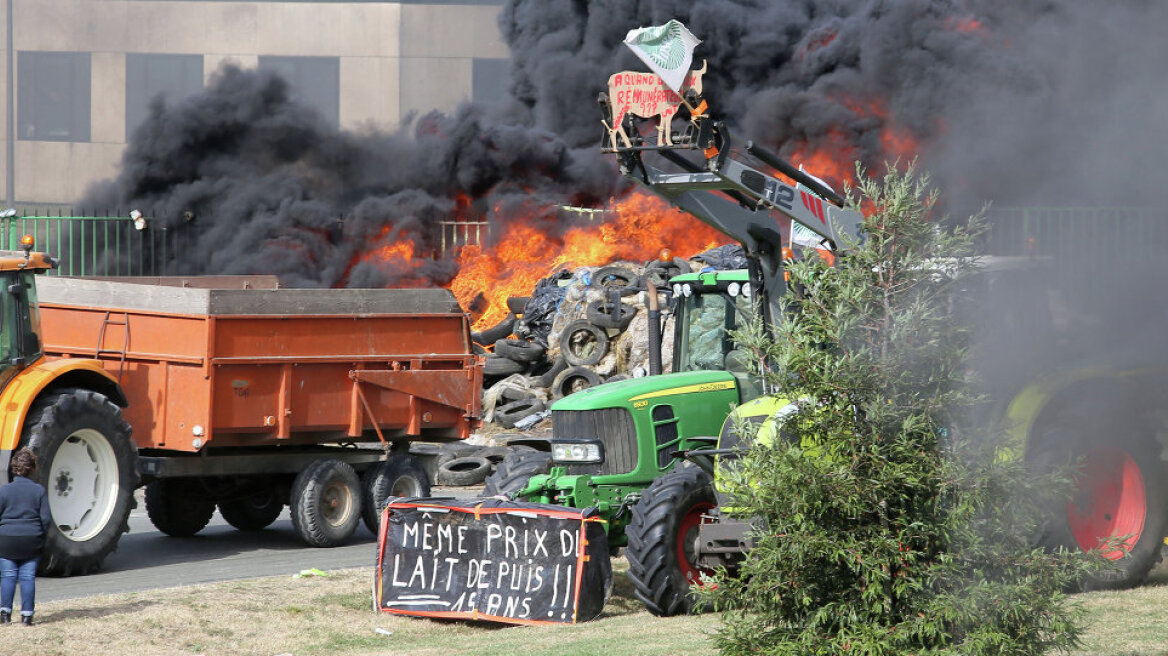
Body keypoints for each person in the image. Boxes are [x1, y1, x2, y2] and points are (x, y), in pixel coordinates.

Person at [0, 448, 51, 626]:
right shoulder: (39, 491)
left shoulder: (4, 491)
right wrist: (41, 538)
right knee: (27, 577)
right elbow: (46, 519)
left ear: (14, 468)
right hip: (32, 539)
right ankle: (27, 616)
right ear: (33, 468)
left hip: (7, 540)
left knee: (8, 576)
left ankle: (5, 614)